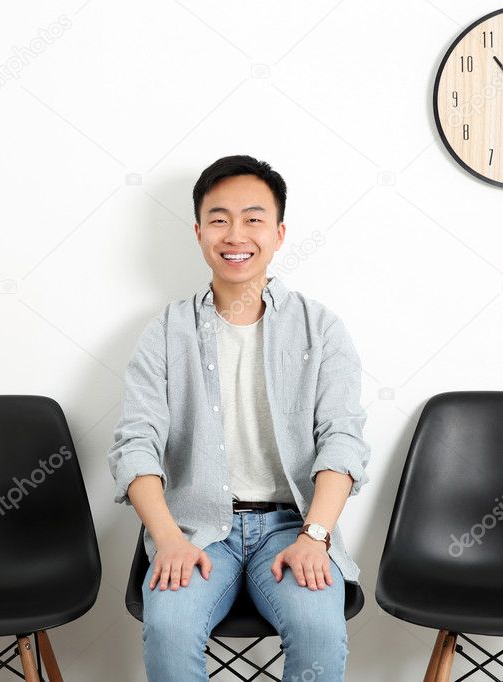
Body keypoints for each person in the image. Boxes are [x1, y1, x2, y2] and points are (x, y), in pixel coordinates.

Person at [107, 154, 370, 681]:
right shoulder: (165, 331)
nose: (236, 234)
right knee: (170, 629)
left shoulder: (320, 329)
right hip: (195, 528)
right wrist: (168, 538)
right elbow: (135, 443)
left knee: (320, 630)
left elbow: (341, 440)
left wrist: (315, 535)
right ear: (200, 231)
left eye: (253, 218)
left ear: (278, 232)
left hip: (294, 526)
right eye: (220, 218)